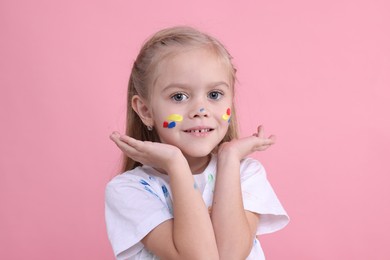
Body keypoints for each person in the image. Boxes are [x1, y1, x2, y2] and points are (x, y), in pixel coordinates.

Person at [105, 26, 289, 260]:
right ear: (145, 109)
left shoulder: (245, 174)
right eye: (179, 96)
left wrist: (229, 158)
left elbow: (231, 255)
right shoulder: (129, 189)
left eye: (214, 95)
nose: (200, 111)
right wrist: (176, 165)